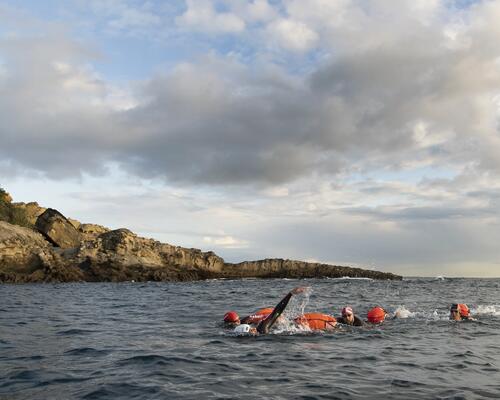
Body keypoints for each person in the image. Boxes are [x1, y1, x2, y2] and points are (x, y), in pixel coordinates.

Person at [233, 287, 308, 335]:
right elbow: (277, 311)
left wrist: (290, 294)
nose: (254, 330)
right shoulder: (262, 330)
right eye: (251, 330)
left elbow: (277, 311)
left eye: (251, 328)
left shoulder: (261, 327)